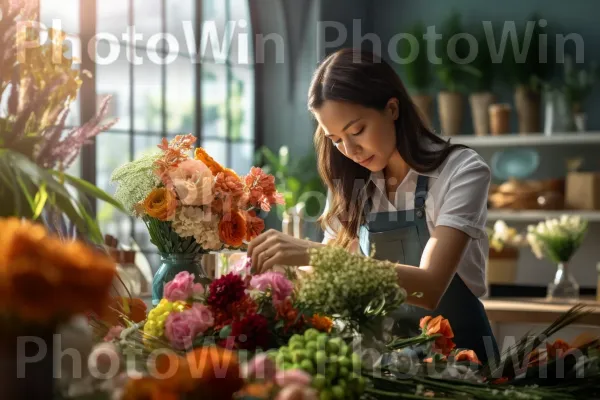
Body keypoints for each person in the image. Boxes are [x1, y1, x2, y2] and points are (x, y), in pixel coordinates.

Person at [247, 48, 499, 363]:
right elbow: (328, 275)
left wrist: (312, 252)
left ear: (392, 108)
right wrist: (277, 283)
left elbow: (430, 287)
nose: (350, 150)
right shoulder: (353, 183)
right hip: (386, 364)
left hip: (463, 365)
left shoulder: (460, 170)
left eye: (357, 131)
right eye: (336, 140)